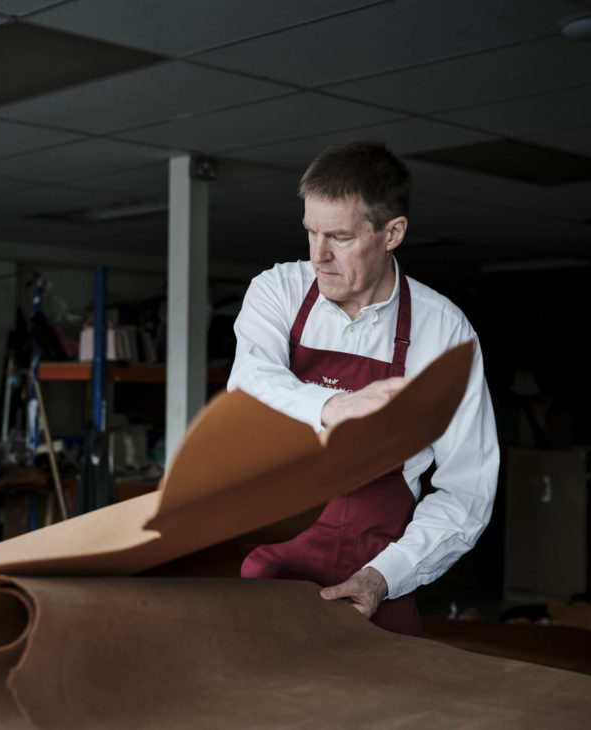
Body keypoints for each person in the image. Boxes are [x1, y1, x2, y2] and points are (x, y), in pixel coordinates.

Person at [227, 140, 499, 635]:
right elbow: (248, 384)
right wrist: (334, 406)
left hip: (375, 576)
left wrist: (384, 577)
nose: (319, 256)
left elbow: (467, 492)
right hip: (271, 565)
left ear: (392, 233)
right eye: (311, 232)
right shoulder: (278, 291)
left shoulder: (444, 333)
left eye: (341, 237)